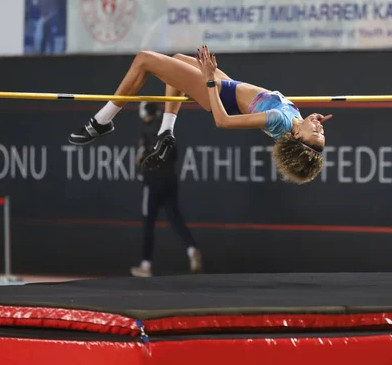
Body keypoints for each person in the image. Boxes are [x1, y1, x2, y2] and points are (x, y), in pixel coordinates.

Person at [68, 45, 332, 184]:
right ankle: (166, 132)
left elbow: (223, 121)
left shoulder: (280, 121)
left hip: (219, 93)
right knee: (178, 59)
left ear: (296, 136)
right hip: (228, 85)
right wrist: (310, 123)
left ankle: (101, 121)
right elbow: (304, 129)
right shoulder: (294, 120)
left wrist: (208, 80)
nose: (320, 129)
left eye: (315, 135)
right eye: (322, 134)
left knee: (144, 60)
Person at [131, 101, 202, 277]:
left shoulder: (146, 129)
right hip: (170, 178)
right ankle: (192, 249)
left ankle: (146, 265)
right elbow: (174, 154)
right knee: (175, 218)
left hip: (152, 180)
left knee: (148, 222)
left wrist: (142, 158)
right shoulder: (166, 129)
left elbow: (144, 155)